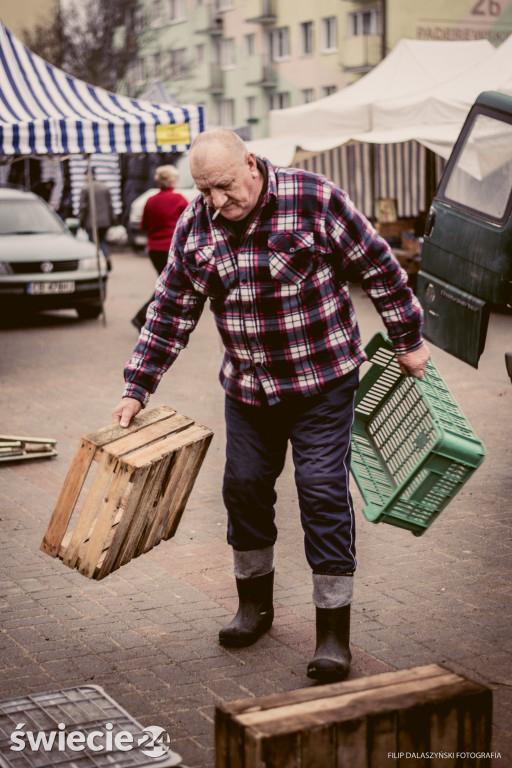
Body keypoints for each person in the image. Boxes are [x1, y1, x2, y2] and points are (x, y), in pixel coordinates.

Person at [112, 129, 430, 683]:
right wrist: (137, 386)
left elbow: (380, 268)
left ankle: (332, 631)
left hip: (323, 385)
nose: (216, 201)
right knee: (243, 488)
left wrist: (408, 339)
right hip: (249, 391)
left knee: (322, 491)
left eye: (225, 186)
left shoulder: (315, 199)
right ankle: (253, 606)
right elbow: (170, 309)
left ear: (252, 165)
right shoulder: (197, 223)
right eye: (203, 189)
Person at [131, 165, 189, 331]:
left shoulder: (150, 200)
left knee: (168, 284)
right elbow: (189, 222)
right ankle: (143, 317)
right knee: (169, 286)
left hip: (154, 250)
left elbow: (144, 225)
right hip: (170, 249)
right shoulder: (178, 199)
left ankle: (161, 319)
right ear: (172, 181)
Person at [79, 169, 115, 271]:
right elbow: (110, 205)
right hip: (105, 222)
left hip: (91, 222)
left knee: (94, 243)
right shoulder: (104, 187)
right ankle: (107, 258)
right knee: (102, 241)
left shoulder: (85, 188)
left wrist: (80, 221)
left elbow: (83, 207)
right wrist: (113, 219)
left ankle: (98, 263)